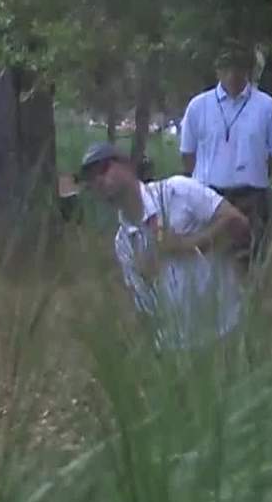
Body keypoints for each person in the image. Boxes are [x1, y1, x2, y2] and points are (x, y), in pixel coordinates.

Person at [77, 142, 251, 350]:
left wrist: (190, 244)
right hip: (174, 347)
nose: (99, 180)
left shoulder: (177, 191)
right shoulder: (124, 243)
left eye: (104, 169)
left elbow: (237, 223)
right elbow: (144, 309)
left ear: (127, 166)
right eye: (91, 180)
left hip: (224, 329)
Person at [179, 42, 272, 260]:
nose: (232, 74)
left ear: (247, 70)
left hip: (251, 196)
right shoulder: (198, 106)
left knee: (249, 259)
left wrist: (254, 174)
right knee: (207, 260)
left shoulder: (266, 107)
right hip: (208, 195)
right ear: (217, 70)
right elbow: (187, 154)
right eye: (226, 68)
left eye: (238, 68)